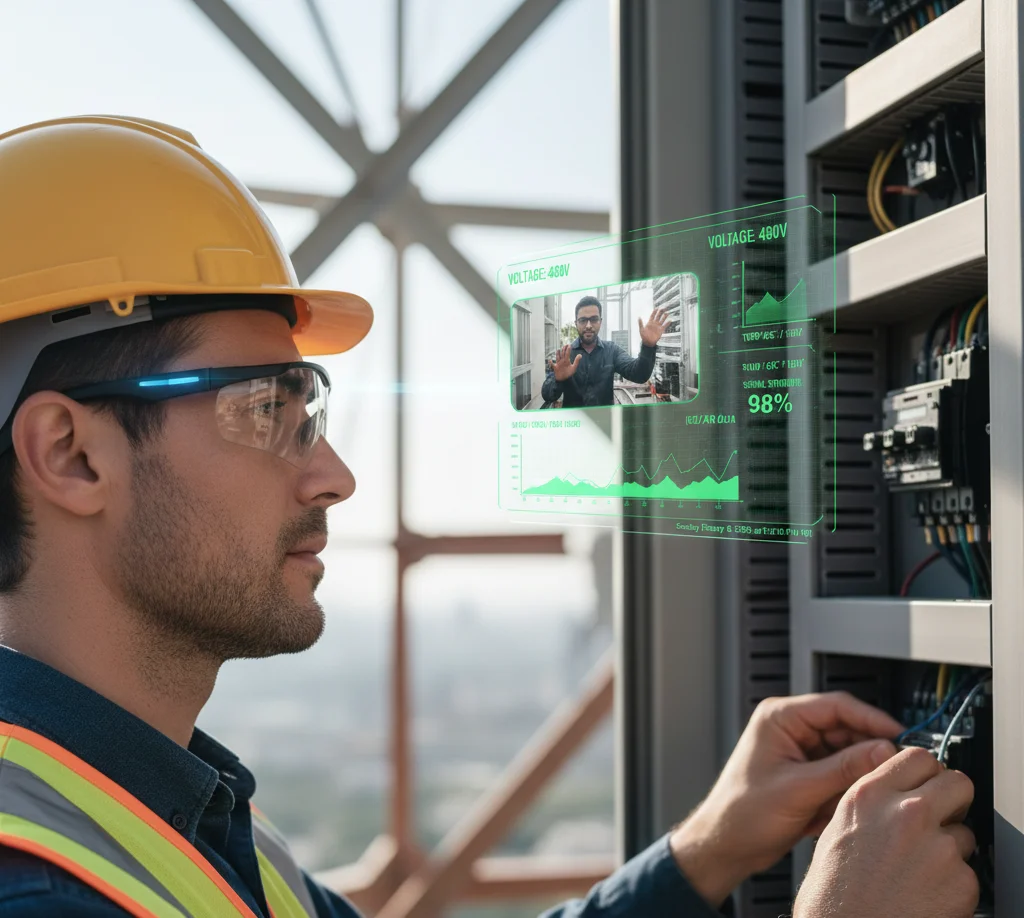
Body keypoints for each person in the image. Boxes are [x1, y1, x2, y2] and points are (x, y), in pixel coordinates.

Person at [0, 115, 979, 918]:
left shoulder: (183, 819)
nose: (333, 476)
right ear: (72, 455)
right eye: (266, 410)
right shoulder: (41, 888)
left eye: (313, 413)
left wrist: (705, 849)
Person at [540, 296, 669, 407]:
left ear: (600, 322)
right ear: (576, 323)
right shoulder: (565, 356)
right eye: (583, 320)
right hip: (574, 427)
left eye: (594, 319)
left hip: (605, 425)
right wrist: (558, 379)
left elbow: (639, 375)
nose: (589, 325)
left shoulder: (612, 351)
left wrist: (648, 346)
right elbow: (548, 396)